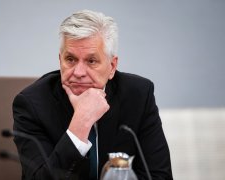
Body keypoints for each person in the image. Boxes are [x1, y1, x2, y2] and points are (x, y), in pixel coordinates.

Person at [13, 9, 173, 180]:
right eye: (71, 59)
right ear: (60, 60)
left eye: (91, 61)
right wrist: (81, 123)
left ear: (112, 67)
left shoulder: (138, 95)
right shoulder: (31, 104)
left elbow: (158, 175)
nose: (79, 72)